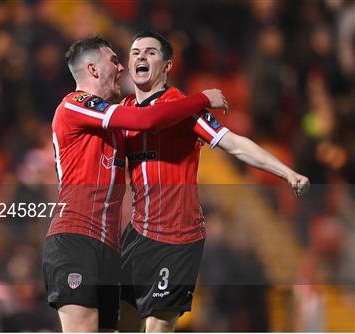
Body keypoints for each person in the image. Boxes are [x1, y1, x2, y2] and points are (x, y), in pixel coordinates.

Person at [118, 30, 311, 332]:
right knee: (119, 321)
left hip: (176, 236)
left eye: (151, 52)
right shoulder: (125, 110)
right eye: (135, 51)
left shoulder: (184, 109)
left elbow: (233, 143)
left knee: (157, 327)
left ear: (168, 65)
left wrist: (286, 172)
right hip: (138, 232)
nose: (141, 56)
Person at [43, 36, 228, 332]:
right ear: (92, 69)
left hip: (107, 246)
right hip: (75, 239)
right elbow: (148, 120)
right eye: (114, 60)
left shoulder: (111, 124)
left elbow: (152, 121)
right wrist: (202, 99)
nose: (121, 68)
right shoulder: (75, 104)